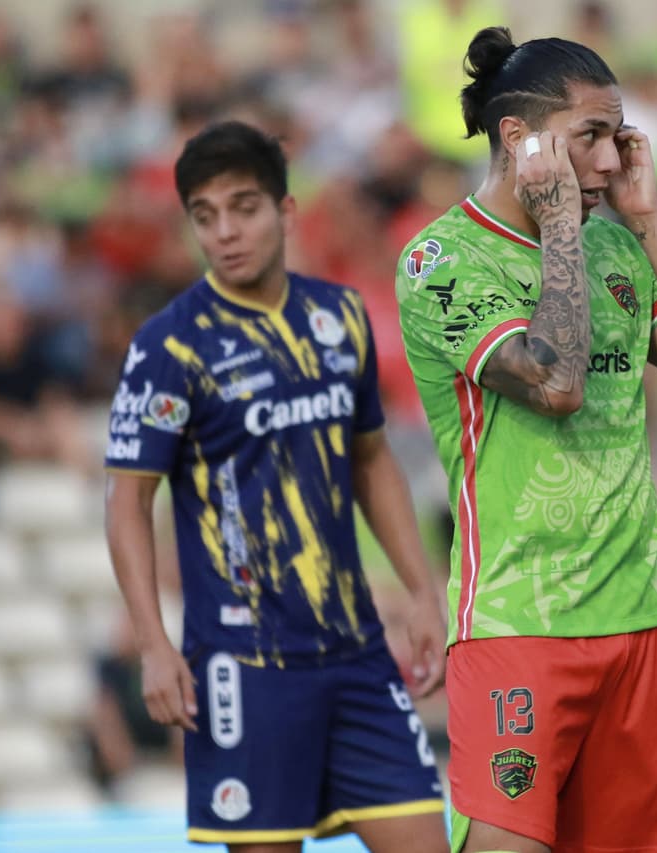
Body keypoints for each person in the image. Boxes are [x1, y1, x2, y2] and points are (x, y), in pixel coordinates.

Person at [395, 26, 657, 853]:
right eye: (590, 137)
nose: (607, 162)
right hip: (521, 625)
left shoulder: (617, 243)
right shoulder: (442, 261)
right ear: (517, 138)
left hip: (640, 621)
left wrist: (652, 219)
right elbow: (556, 384)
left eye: (617, 137)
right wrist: (561, 229)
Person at [103, 120, 449, 853]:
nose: (225, 231)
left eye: (245, 207)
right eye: (206, 215)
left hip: (356, 653)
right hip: (244, 665)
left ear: (287, 213)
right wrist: (153, 645)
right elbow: (128, 499)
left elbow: (371, 460)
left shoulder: (340, 317)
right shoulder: (170, 346)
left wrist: (423, 591)